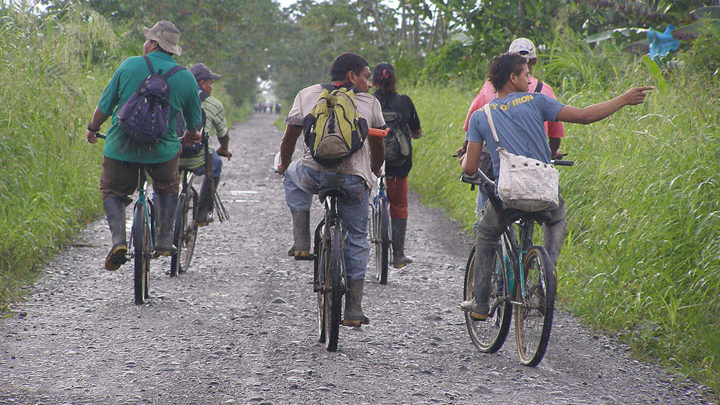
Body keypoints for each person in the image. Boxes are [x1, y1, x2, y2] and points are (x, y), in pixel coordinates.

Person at [458, 52, 652, 320]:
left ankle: (480, 304)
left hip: (509, 196)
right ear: (512, 78)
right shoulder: (538, 102)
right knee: (556, 217)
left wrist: (464, 162)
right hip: (544, 191)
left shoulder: (482, 116)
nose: (530, 80)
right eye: (526, 75)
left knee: (487, 233)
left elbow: (470, 167)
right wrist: (624, 99)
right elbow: (585, 116)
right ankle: (545, 272)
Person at [278, 52, 385, 326]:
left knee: (292, 176)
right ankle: (353, 308)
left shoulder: (307, 94)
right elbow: (378, 149)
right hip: (353, 179)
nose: (369, 83)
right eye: (366, 76)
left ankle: (301, 241)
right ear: (352, 77)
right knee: (358, 237)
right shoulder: (370, 103)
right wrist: (373, 170)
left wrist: (284, 164)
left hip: (313, 173)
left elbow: (290, 136)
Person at [86, 21, 203, 271]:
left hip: (121, 148)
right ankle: (163, 239)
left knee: (112, 190)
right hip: (161, 152)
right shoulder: (185, 78)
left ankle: (118, 240)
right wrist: (192, 136)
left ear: (152, 44)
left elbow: (104, 107)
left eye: (147, 38)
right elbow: (194, 124)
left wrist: (93, 129)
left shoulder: (130, 65)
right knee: (168, 185)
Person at [457, 38, 566, 223]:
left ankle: (486, 247)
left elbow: (473, 129)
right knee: (556, 217)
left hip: (503, 173)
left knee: (486, 224)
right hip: (539, 172)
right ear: (533, 62)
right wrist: (551, 151)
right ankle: (548, 253)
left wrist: (465, 151)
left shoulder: (487, 90)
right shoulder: (541, 94)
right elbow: (556, 133)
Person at [371, 62, 422, 268]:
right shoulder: (404, 102)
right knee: (399, 206)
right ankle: (398, 254)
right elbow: (416, 131)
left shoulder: (369, 101)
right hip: (398, 165)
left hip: (370, 164)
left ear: (373, 82)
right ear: (395, 81)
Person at [178, 63, 232, 226]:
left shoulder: (175, 96)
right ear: (202, 83)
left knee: (162, 180)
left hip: (173, 154)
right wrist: (223, 148)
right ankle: (202, 213)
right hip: (198, 157)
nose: (211, 87)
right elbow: (223, 134)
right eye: (209, 83)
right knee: (215, 163)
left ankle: (160, 213)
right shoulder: (214, 104)